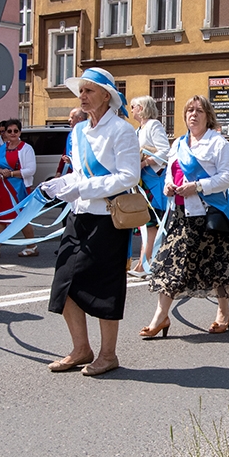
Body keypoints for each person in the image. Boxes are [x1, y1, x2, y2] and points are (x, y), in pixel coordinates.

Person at [40, 68, 139, 376]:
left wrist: (82, 187)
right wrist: (60, 185)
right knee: (64, 281)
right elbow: (80, 173)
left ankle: (108, 354)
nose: (81, 96)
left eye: (88, 91)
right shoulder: (79, 131)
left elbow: (128, 177)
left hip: (109, 219)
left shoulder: (122, 130)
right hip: (79, 215)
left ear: (106, 96)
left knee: (105, 286)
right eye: (80, 91)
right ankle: (81, 349)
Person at [142, 95, 229, 336]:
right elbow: (169, 175)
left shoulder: (218, 143)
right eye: (189, 110)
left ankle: (224, 313)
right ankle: (160, 317)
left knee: (217, 266)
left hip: (209, 214)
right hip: (181, 215)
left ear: (208, 115)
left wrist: (198, 186)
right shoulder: (178, 144)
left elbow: (227, 178)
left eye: (199, 110)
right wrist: (168, 187)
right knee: (171, 264)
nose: (193, 114)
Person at [0, 119, 38, 259]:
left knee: (21, 218)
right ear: (5, 133)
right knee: (1, 218)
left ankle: (32, 246)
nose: (12, 133)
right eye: (9, 131)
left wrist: (11, 173)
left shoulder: (26, 148)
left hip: (19, 189)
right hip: (3, 188)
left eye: (16, 131)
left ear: (20, 132)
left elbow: (31, 170)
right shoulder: (1, 149)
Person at [129, 96, 170, 275]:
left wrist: (145, 162)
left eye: (133, 106)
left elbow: (165, 151)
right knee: (145, 223)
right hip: (143, 180)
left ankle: (145, 263)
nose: (131, 109)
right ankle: (144, 262)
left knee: (150, 223)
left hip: (154, 180)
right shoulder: (139, 129)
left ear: (142, 107)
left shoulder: (154, 125)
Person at [54, 108, 88, 178]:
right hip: (69, 171)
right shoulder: (71, 134)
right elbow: (65, 153)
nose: (69, 120)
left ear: (80, 119)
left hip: (83, 174)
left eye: (72, 118)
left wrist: (72, 161)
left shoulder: (88, 133)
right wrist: (59, 171)